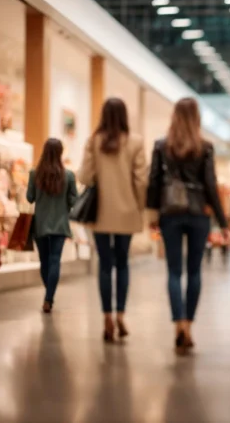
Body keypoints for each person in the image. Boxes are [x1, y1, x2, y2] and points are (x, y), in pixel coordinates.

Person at [146, 97, 230, 355]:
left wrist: (152, 214)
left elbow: (154, 182)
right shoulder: (204, 147)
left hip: (170, 213)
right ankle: (189, 327)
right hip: (197, 214)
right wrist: (223, 221)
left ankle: (178, 324)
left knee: (173, 271)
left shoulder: (161, 146)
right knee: (194, 272)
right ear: (197, 119)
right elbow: (210, 185)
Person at [78, 97, 148, 343]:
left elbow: (85, 177)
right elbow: (141, 181)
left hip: (100, 213)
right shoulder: (136, 142)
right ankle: (120, 314)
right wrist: (139, 208)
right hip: (127, 212)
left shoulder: (93, 141)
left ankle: (106, 315)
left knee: (105, 265)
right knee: (123, 264)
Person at [27, 139, 78, 313]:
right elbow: (74, 200)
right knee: (55, 260)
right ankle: (49, 297)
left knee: (44, 261)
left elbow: (29, 197)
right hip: (60, 225)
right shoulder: (69, 175)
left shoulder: (35, 174)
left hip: (40, 225)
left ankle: (49, 294)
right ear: (60, 153)